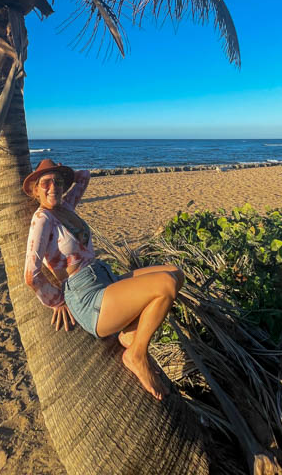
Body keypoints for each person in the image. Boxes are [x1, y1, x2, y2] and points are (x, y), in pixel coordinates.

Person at [24, 159, 183, 400]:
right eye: (46, 183)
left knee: (175, 272)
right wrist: (58, 301)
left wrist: (65, 173)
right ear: (36, 190)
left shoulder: (66, 207)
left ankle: (130, 334)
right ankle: (136, 355)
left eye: (57, 182)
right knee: (166, 286)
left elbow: (85, 176)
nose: (53, 186)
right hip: (86, 296)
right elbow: (30, 274)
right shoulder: (42, 219)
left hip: (105, 278)